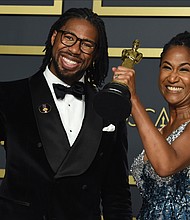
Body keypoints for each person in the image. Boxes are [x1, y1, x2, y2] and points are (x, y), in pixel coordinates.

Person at [0, 7, 132, 220]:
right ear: (54, 37)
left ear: (96, 53)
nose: (74, 50)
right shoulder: (8, 96)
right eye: (69, 38)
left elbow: (116, 195)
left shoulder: (109, 109)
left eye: (86, 44)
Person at [112, 31, 190, 219]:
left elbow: (165, 165)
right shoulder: (160, 130)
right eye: (167, 67)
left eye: (184, 69)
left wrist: (133, 99)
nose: (172, 78)